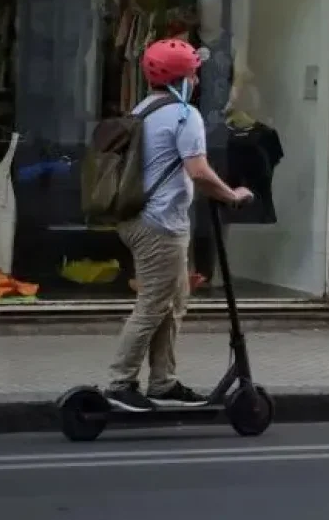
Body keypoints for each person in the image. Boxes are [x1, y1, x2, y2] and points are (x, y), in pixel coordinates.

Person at [105, 39, 253, 411]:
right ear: (184, 77)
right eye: (193, 73)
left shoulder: (145, 108)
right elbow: (199, 171)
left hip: (142, 218)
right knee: (155, 304)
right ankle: (120, 382)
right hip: (158, 224)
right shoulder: (185, 115)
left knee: (172, 303)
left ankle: (162, 381)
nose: (196, 79)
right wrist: (231, 195)